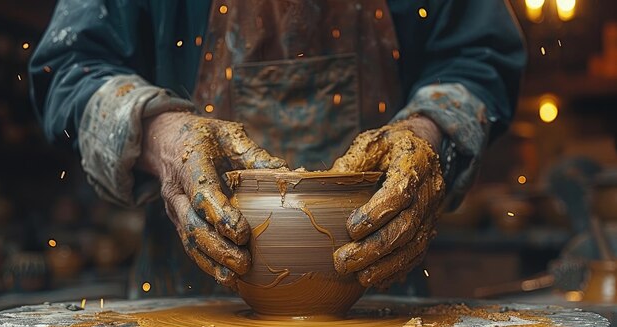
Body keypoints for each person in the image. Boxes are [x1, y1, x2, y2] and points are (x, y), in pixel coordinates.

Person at [29, 0, 526, 298]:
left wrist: (427, 133)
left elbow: (480, 59)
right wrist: (164, 137)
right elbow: (67, 71)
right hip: (191, 298)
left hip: (380, 286)